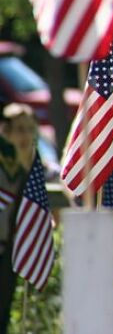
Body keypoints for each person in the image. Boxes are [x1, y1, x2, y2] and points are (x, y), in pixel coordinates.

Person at [0, 104, 38, 334]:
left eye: (29, 129)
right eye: (19, 130)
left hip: (9, 255)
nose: (25, 136)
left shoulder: (33, 165)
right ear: (6, 131)